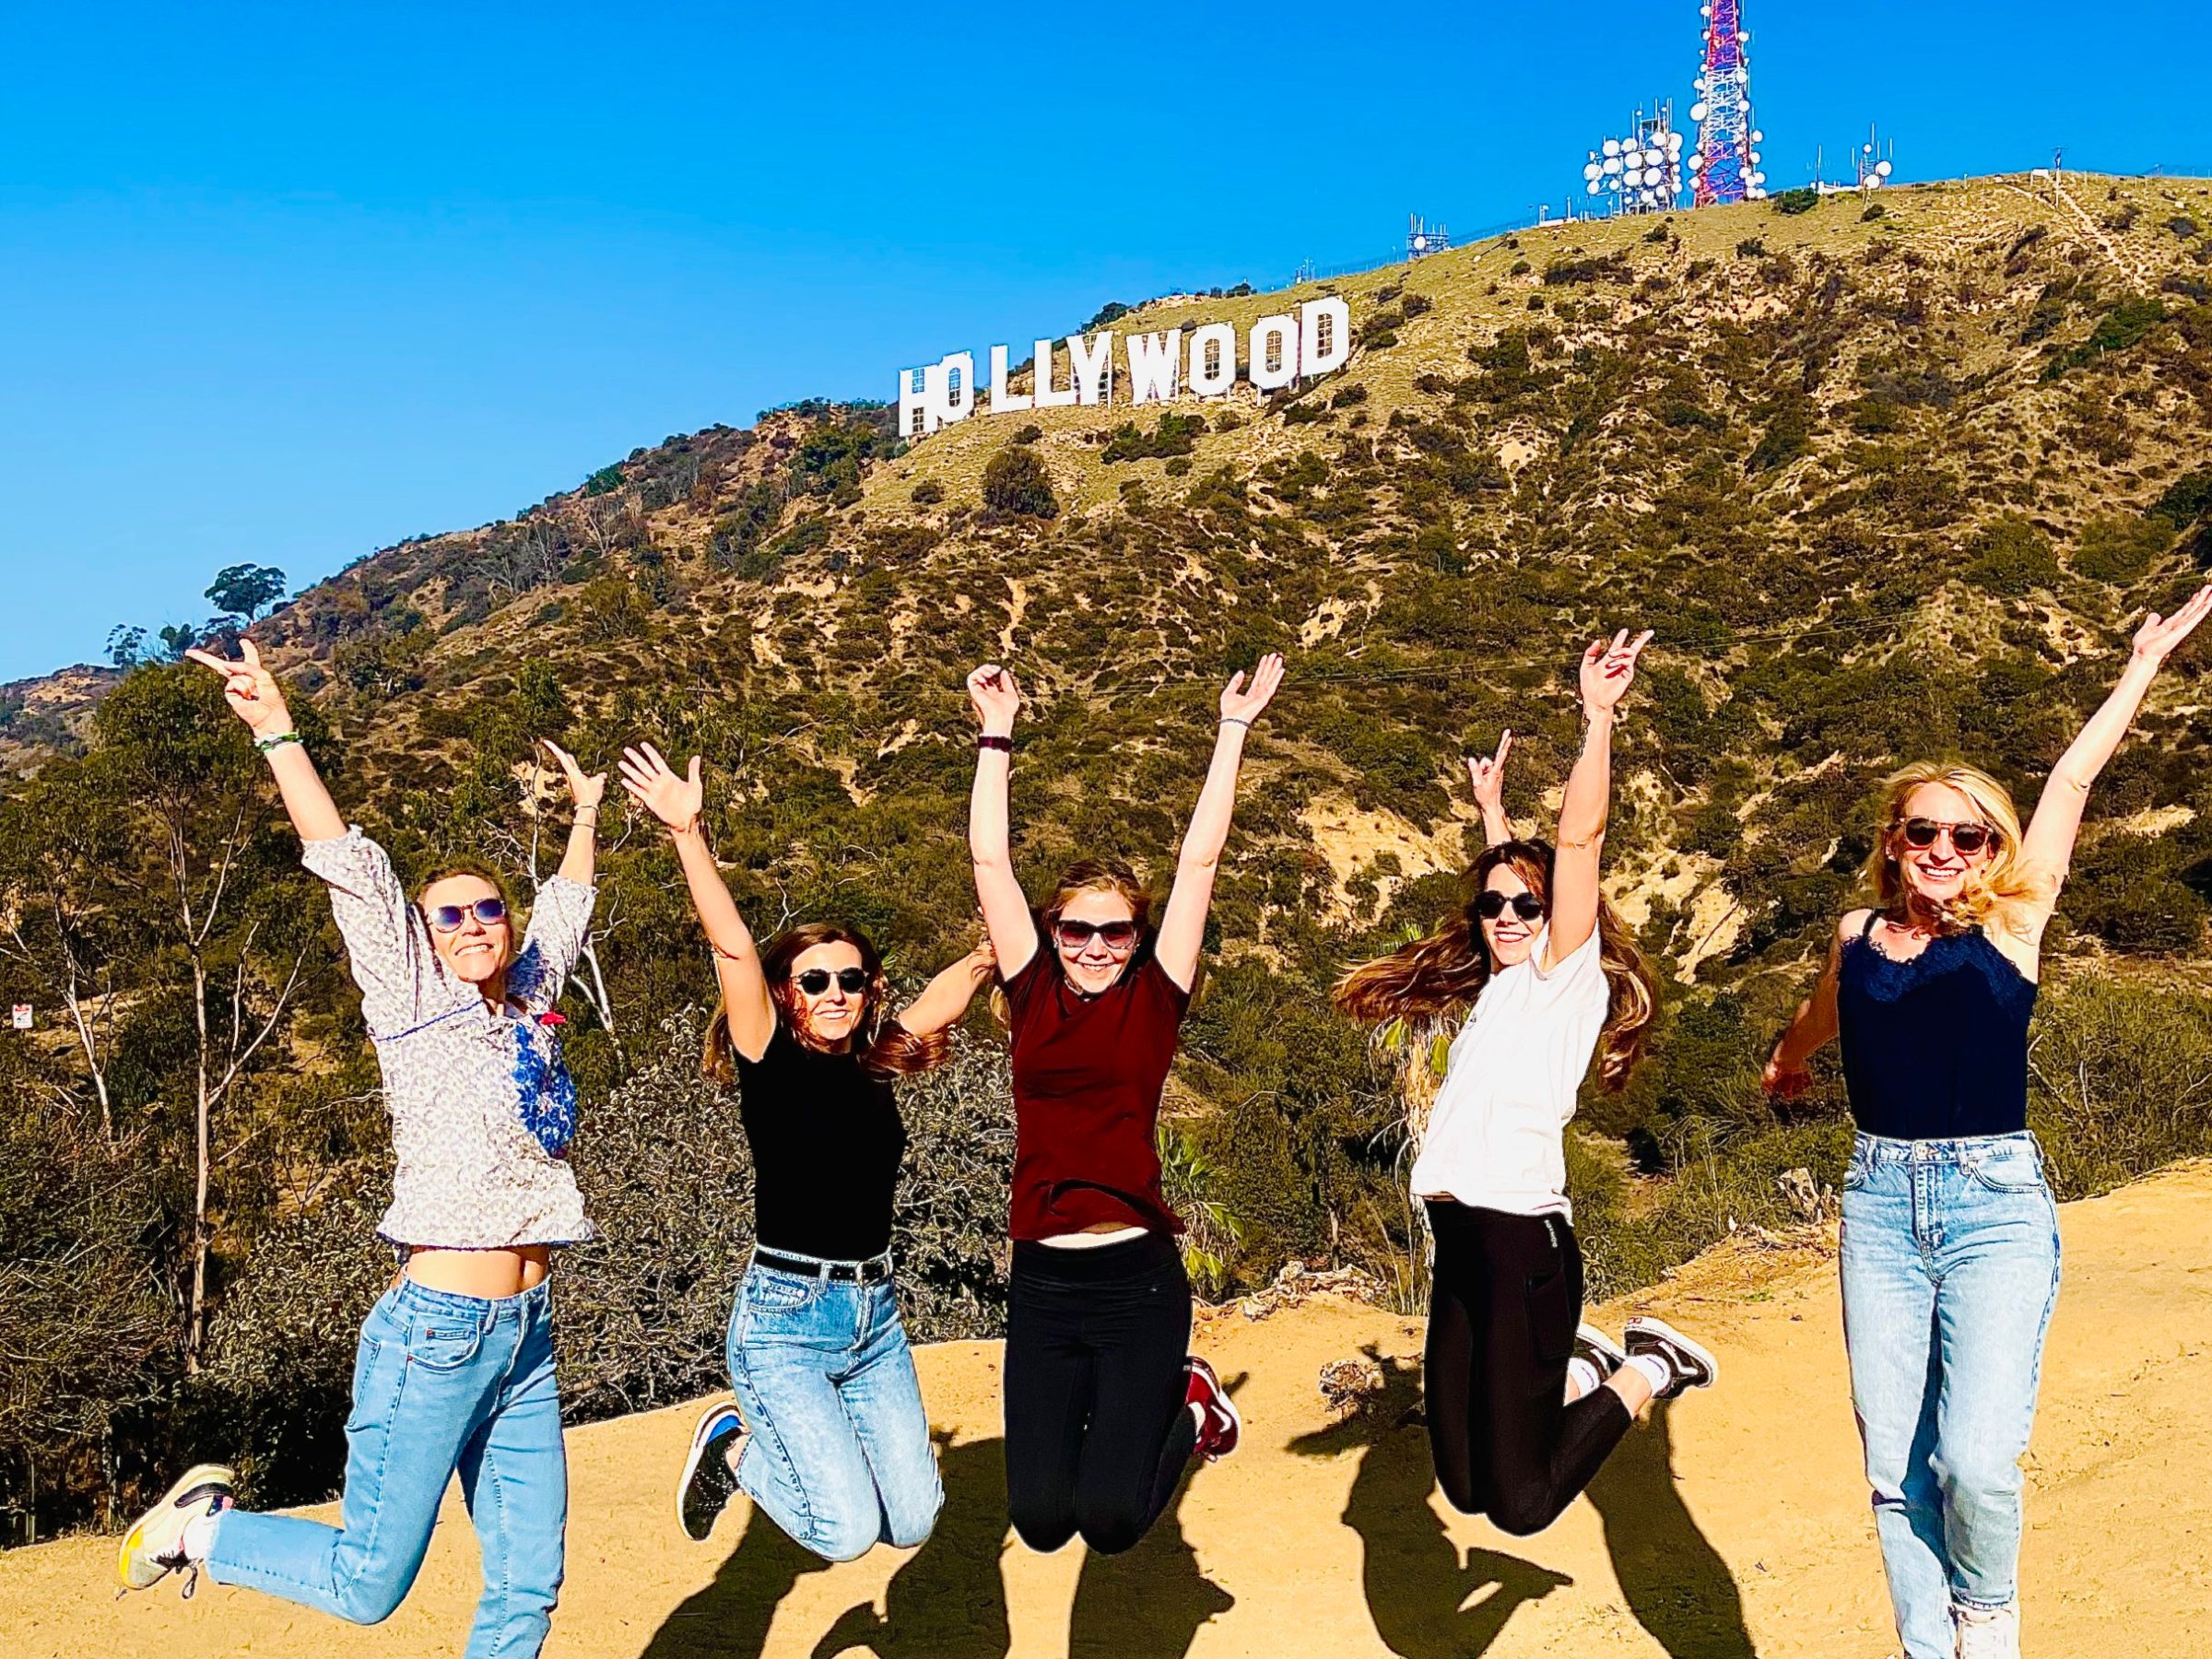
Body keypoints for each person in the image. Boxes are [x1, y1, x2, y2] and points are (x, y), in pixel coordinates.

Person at [118, 640, 603, 1659]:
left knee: (528, 1584)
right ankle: (204, 1531)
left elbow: (566, 907)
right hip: (438, 1333)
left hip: (528, 1337)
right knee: (369, 1580)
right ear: (424, 937)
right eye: (451, 915)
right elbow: (352, 866)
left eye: (487, 910)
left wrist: (588, 812)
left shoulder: (532, 1002)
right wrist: (276, 732)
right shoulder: (412, 998)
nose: (474, 924)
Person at [1762, 583, 2212, 1659]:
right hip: (1877, 1205)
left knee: (1971, 1458)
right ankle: (1931, 1648)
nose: (1946, 848)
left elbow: (2074, 777)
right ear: (1895, 840)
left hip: (1994, 1205)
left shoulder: (2016, 920)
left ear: (1994, 847)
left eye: (1969, 833)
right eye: (1925, 830)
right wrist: (1789, 1059)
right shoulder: (1857, 932)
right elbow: (1824, 1015)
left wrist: (2140, 666)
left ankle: (1987, 1616)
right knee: (1893, 1465)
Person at [1334, 631, 1716, 1540]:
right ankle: (1576, 1373)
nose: (1506, 917)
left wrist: (1597, 718)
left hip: (1520, 1254)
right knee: (1461, 1487)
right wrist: (1493, 814)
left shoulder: (1564, 975)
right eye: (1492, 904)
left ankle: (1646, 1368)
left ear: (1563, 918)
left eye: (1526, 906)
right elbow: (1520, 880)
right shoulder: (1507, 983)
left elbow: (1577, 837)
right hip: (1460, 1249)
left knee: (1522, 1506)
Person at [619, 742, 996, 1559]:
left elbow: (947, 995)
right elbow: (731, 949)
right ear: (788, 992)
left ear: (869, 991)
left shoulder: (876, 1057)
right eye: (815, 981)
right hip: (784, 1319)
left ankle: (770, 1452)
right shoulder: (767, 1054)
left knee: (915, 1524)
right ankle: (734, 1450)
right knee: (846, 1533)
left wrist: (995, 950)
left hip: (876, 1316)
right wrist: (689, 835)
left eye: (852, 980)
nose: (835, 994)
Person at [965, 654, 1280, 1555]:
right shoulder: (1030, 990)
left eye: (1116, 931)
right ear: (1051, 931)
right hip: (1043, 1283)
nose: (1096, 946)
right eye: (1076, 929)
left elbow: (1201, 857)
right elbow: (989, 855)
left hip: (1137, 1281)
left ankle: (1189, 1408)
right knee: (1037, 1523)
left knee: (1107, 1525)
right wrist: (997, 731)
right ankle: (1168, 1410)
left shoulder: (1155, 998)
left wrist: (1233, 729)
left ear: (1138, 938)